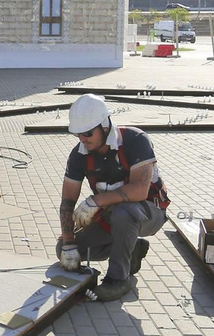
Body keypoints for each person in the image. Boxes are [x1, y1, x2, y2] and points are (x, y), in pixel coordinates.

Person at [56, 93, 170, 301]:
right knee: (64, 249)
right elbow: (67, 201)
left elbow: (139, 190)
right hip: (113, 216)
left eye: (88, 133)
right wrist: (69, 243)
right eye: (78, 134)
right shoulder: (79, 154)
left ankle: (118, 279)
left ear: (104, 125)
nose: (83, 139)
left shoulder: (135, 140)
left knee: (124, 212)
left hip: (149, 212)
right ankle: (131, 249)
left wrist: (95, 201)